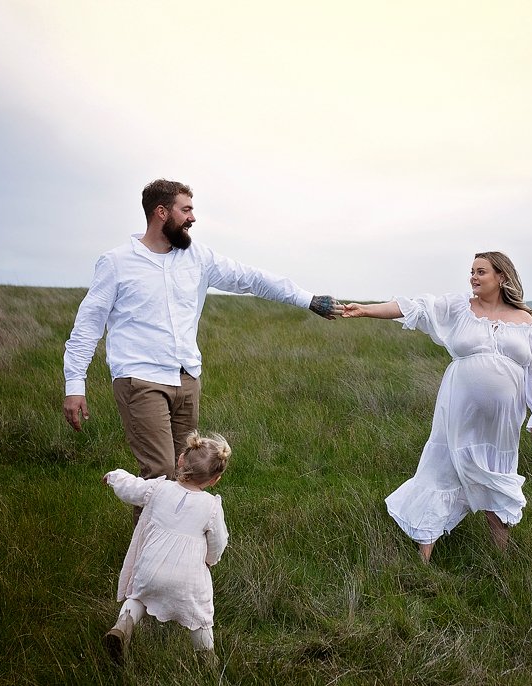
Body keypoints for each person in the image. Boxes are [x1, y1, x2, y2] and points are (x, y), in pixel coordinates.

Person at [63, 180, 342, 519]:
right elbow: (88, 324)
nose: (193, 218)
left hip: (187, 379)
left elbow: (252, 278)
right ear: (161, 213)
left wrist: (307, 299)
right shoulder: (117, 262)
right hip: (140, 379)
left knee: (189, 475)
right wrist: (74, 385)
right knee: (161, 474)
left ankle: (183, 550)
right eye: (186, 210)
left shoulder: (198, 258)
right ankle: (147, 558)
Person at [342, 251, 532, 562]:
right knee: (442, 470)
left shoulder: (524, 321)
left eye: (481, 272)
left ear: (502, 277)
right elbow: (413, 307)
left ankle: (501, 560)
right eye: (472, 271)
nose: (473, 277)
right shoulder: (459, 307)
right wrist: (366, 310)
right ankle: (423, 558)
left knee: (498, 475)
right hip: (459, 409)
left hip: (503, 421)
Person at [101, 430, 231, 664]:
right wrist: (210, 560)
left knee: (137, 597)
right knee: (200, 615)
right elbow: (218, 543)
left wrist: (115, 477)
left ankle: (122, 627)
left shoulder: (158, 489)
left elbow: (132, 487)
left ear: (181, 460)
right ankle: (206, 659)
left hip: (150, 568)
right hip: (188, 579)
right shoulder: (211, 507)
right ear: (214, 480)